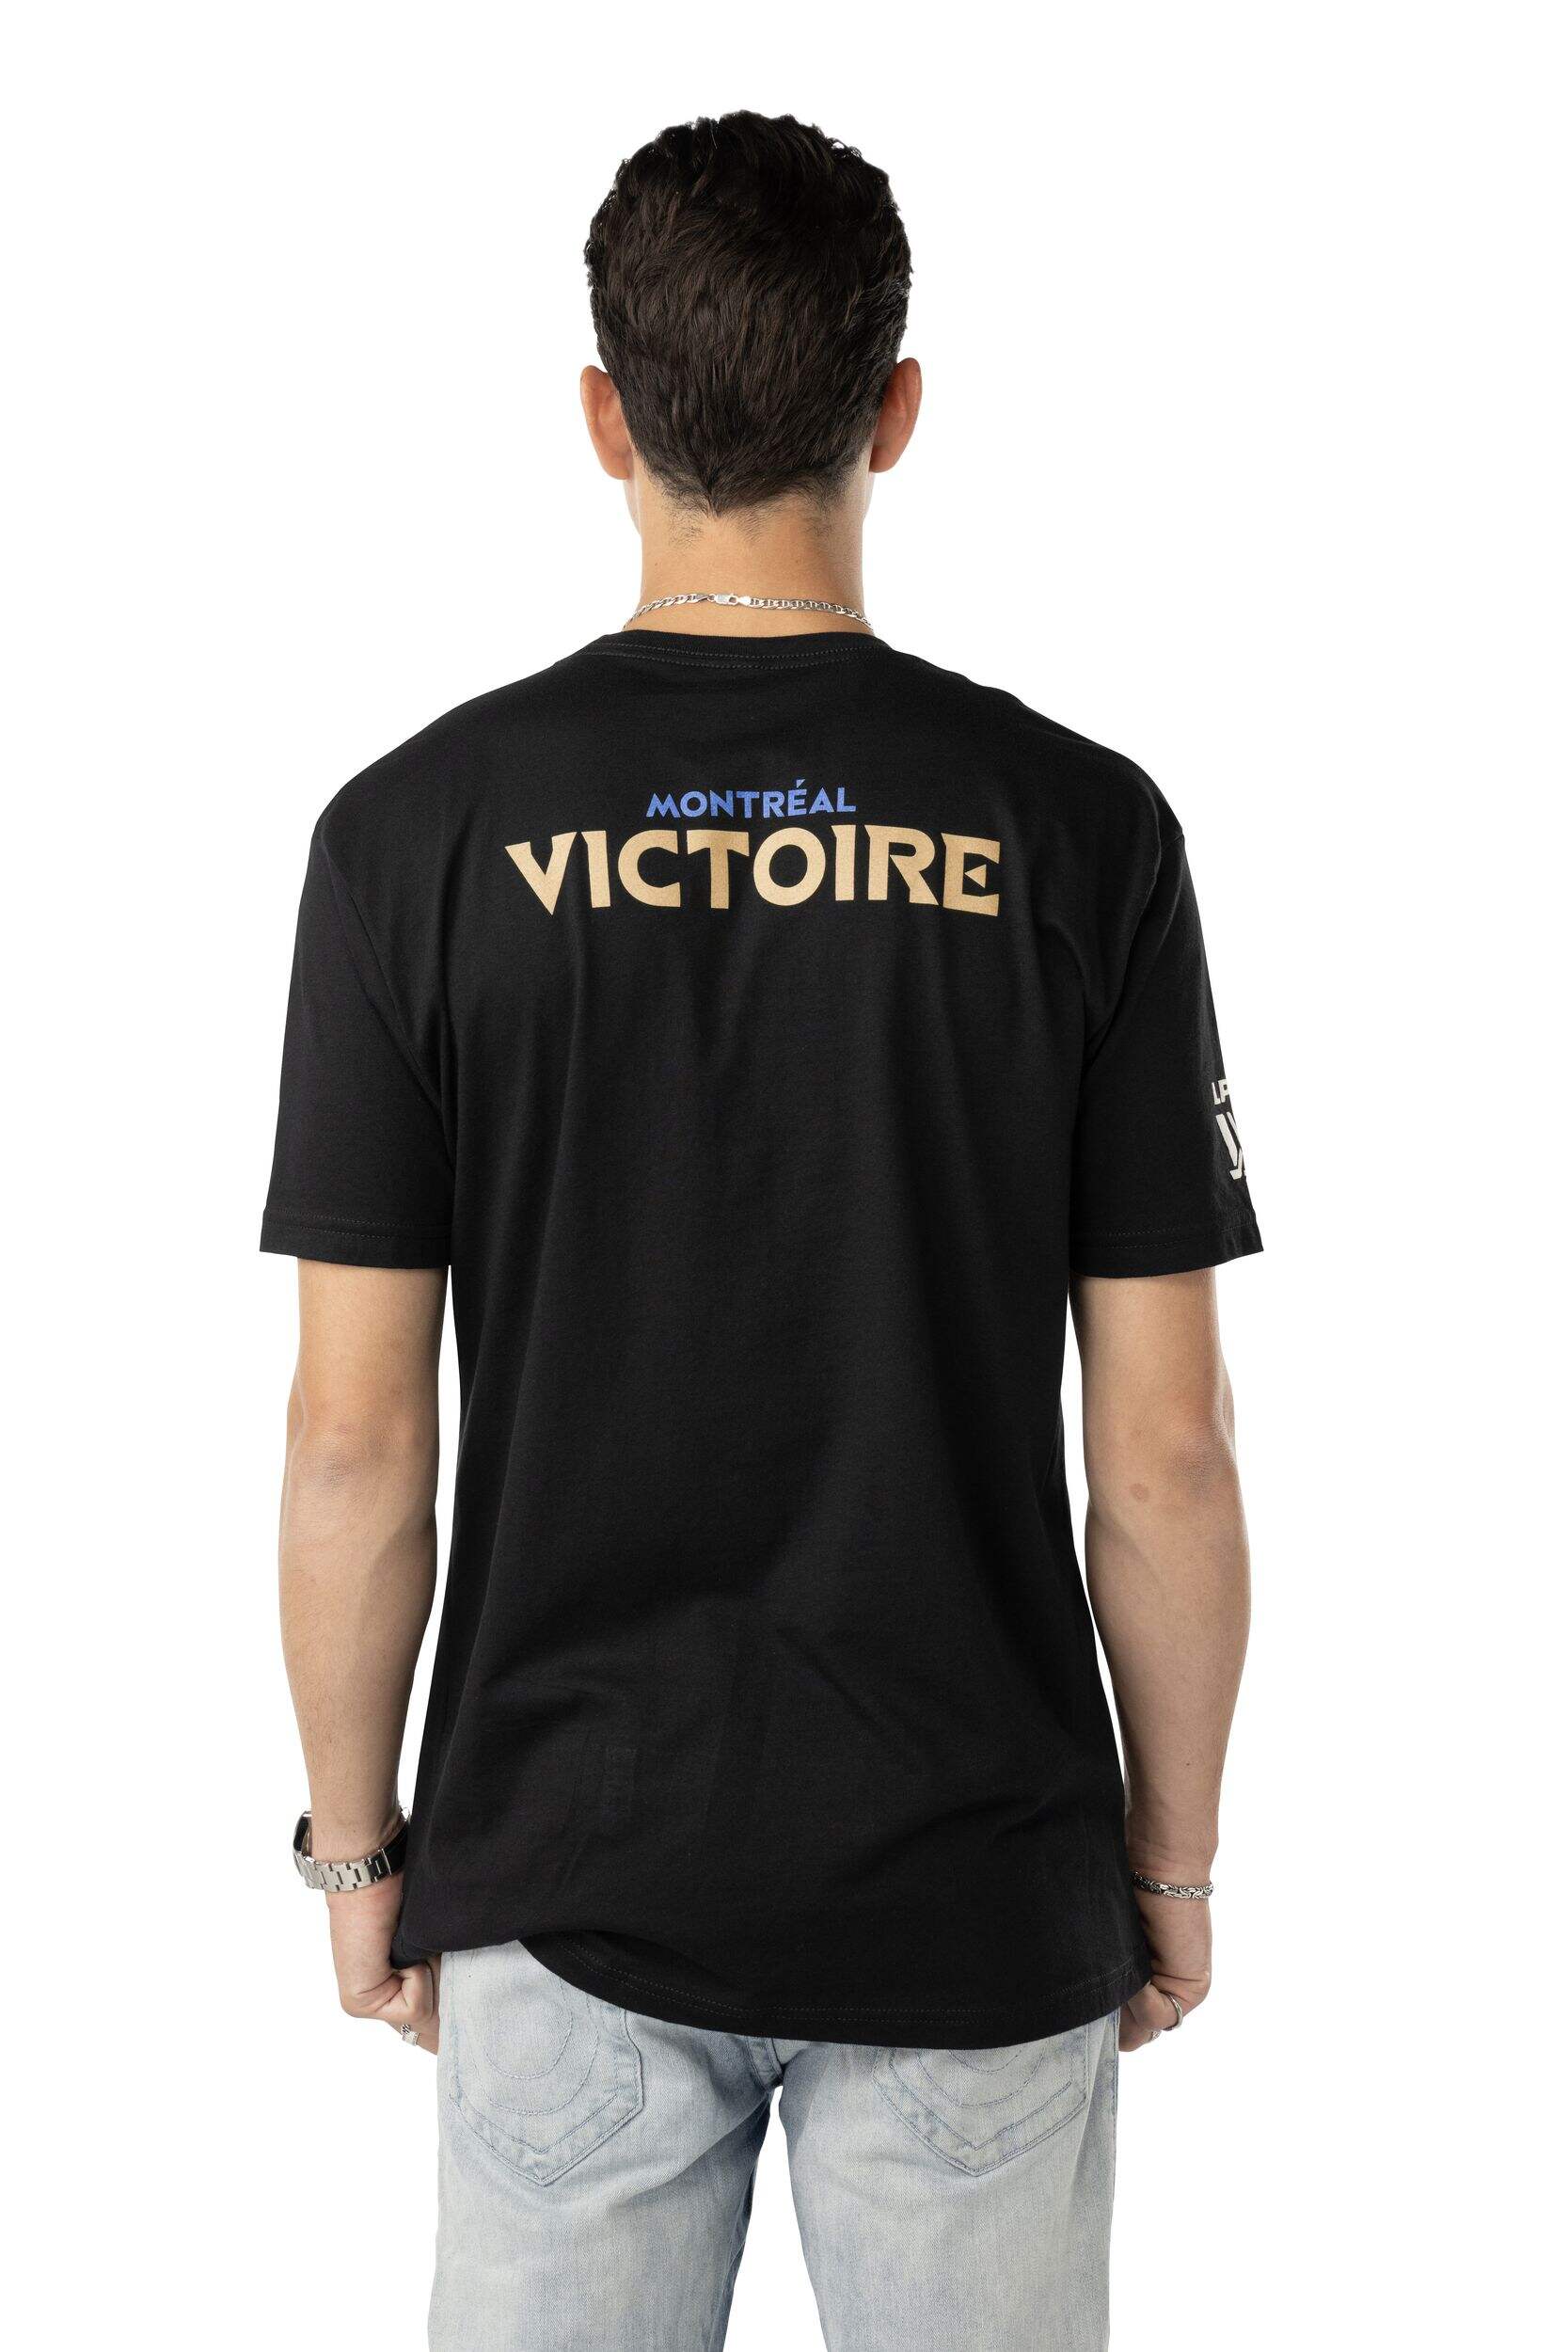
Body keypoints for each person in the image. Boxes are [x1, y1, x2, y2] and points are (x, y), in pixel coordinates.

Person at [264, 109, 1259, 2352]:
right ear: (895, 410)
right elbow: (1168, 1454)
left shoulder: (415, 837)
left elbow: (352, 1439)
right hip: (980, 1881)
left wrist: (359, 1845)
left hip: (571, 1874)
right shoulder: (1080, 831)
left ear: (602, 416)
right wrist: (1173, 1860)